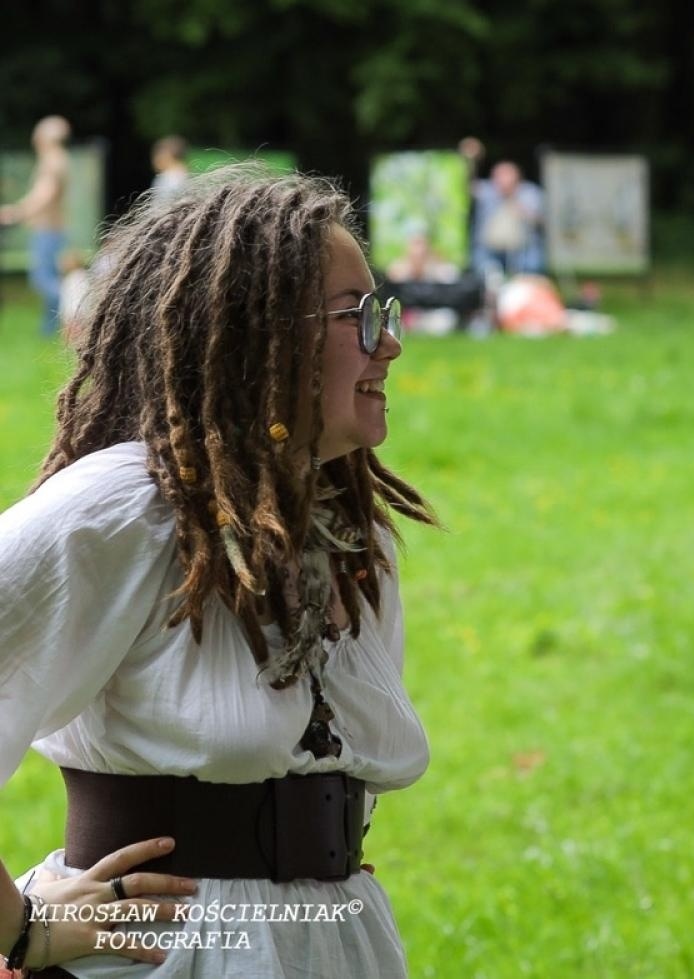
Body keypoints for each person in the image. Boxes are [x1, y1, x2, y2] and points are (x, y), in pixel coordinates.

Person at [0, 168, 437, 976]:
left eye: (385, 311)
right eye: (358, 317)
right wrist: (20, 926)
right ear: (260, 335)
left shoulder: (349, 534)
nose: (391, 342)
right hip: (176, 953)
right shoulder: (127, 507)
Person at [0, 115, 71, 335]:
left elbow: (44, 195)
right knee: (49, 278)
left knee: (42, 280)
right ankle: (49, 330)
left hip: (48, 230)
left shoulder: (52, 159)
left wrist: (17, 212)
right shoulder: (58, 158)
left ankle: (75, 310)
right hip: (53, 229)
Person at [471, 159, 545, 277]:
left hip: (522, 250)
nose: (501, 179)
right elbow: (464, 184)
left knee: (531, 266)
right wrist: (472, 160)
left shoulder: (530, 192)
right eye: (497, 175)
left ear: (517, 177)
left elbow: (543, 220)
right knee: (486, 269)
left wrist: (522, 210)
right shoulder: (487, 190)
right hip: (490, 250)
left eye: (506, 174)